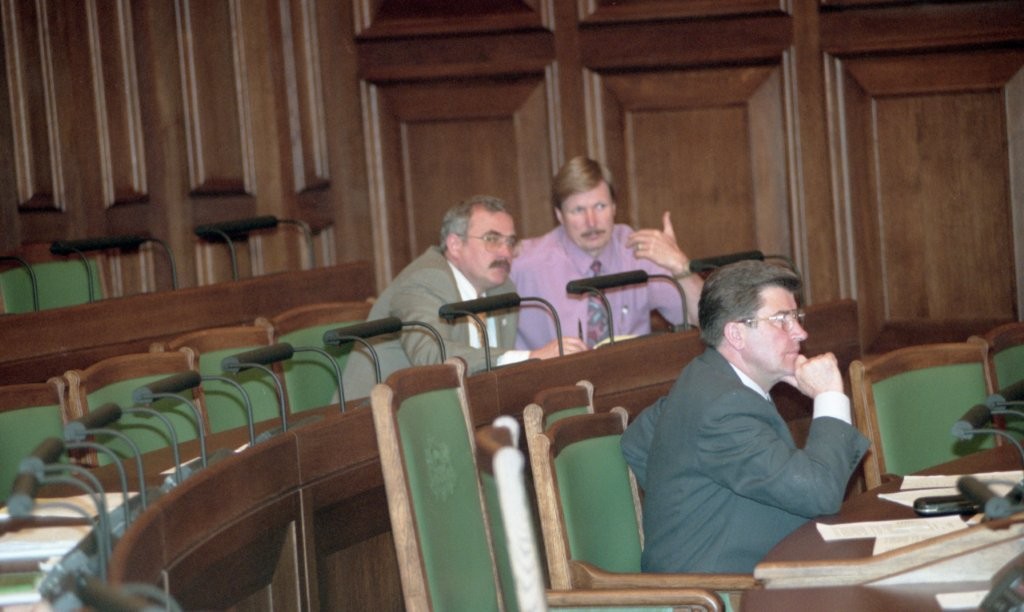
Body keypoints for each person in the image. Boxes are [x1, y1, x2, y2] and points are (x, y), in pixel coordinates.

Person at [621, 260, 868, 574]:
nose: (800, 333)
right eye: (782, 320)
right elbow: (820, 493)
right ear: (736, 334)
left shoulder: (705, 377)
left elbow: (637, 441)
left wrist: (694, 497)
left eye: (796, 317)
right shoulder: (723, 407)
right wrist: (829, 396)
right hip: (716, 590)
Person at [342, 195, 587, 401]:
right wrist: (530, 357)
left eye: (510, 242)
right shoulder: (425, 280)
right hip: (378, 421)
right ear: (455, 244)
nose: (505, 252)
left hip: (453, 411)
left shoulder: (502, 289)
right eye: (492, 239)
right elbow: (432, 356)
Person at [510, 156, 704, 350]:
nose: (591, 222)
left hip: (630, 367)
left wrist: (680, 266)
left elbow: (705, 320)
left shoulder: (637, 251)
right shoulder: (526, 263)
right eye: (578, 210)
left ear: (614, 208)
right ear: (559, 215)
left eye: (600, 206)